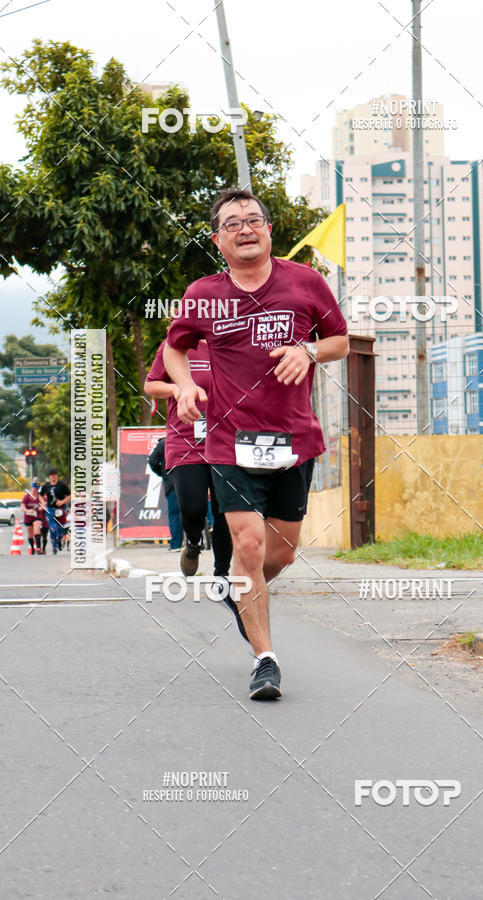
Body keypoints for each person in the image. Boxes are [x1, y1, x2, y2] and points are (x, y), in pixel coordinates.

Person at [164, 187, 348, 700]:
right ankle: (264, 660)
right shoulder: (203, 292)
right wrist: (184, 385)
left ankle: (241, 588)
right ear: (218, 239)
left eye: (253, 220)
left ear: (269, 230)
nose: (245, 228)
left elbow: (340, 340)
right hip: (229, 441)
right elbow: (174, 349)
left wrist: (308, 351)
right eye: (232, 223)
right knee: (247, 546)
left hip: (294, 439)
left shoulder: (305, 281)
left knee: (280, 555)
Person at [145, 341, 238, 634]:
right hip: (185, 442)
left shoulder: (229, 343)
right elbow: (151, 385)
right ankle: (193, 542)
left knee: (226, 508)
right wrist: (175, 389)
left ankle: (221, 574)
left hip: (225, 439)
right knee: (193, 506)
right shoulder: (176, 347)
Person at [147, 436, 183, 551]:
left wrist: (162, 473)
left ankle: (176, 545)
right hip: (188, 481)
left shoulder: (163, 443)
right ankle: (196, 543)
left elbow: (152, 461)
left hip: (171, 483)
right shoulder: (185, 439)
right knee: (192, 511)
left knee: (174, 513)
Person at [40, 468, 71, 554]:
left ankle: (59, 540)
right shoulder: (46, 486)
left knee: (61, 528)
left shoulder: (62, 485)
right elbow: (40, 495)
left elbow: (69, 495)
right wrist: (43, 502)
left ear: (57, 476)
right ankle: (54, 547)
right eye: (51, 475)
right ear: (49, 477)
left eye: (54, 475)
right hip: (50, 509)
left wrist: (62, 502)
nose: (53, 477)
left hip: (61, 509)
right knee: (53, 528)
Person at [21, 480, 45, 554]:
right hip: (28, 517)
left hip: (37, 516)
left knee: (37, 531)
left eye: (37, 488)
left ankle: (38, 548)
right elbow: (22, 507)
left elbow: (43, 503)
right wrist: (28, 511)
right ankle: (32, 548)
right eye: (34, 488)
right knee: (30, 535)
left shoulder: (39, 496)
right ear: (32, 487)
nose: (36, 490)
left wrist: (41, 507)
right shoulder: (27, 496)